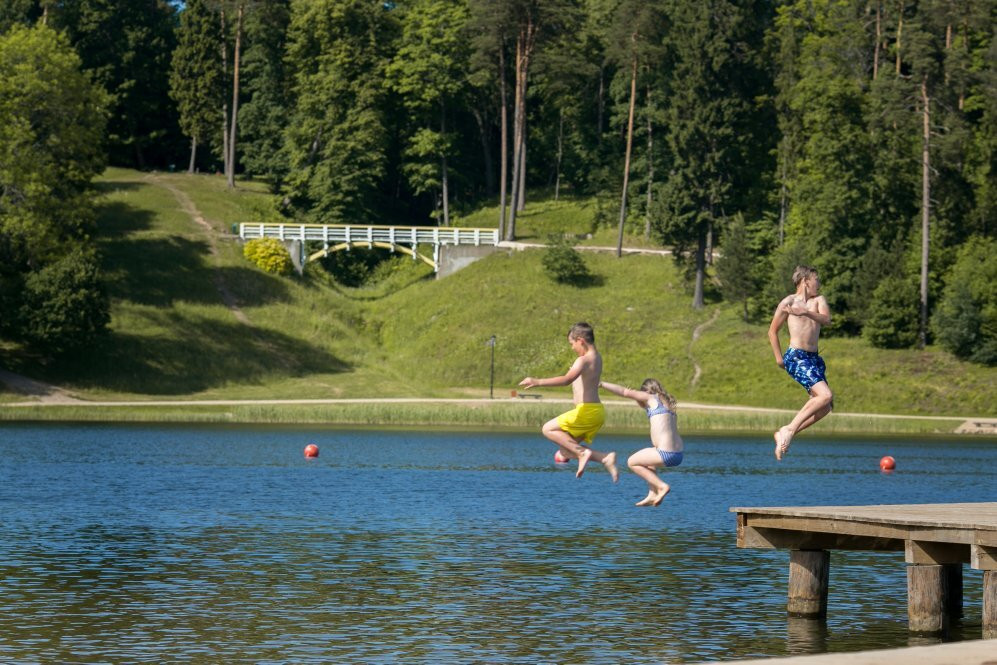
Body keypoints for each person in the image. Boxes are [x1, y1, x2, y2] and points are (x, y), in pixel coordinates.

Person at [519, 322, 619, 482]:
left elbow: (566, 380)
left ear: (580, 340)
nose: (572, 348)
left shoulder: (583, 360)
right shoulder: (597, 358)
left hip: (587, 411)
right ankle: (605, 458)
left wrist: (537, 381)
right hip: (596, 413)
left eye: (572, 343)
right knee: (565, 452)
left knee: (547, 429)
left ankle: (582, 453)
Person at [768, 265, 833, 460]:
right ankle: (788, 430)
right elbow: (772, 331)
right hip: (796, 356)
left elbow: (826, 320)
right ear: (806, 281)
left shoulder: (818, 301)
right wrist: (779, 358)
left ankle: (786, 433)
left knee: (825, 407)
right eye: (816, 280)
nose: (818, 284)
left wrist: (805, 312)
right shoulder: (788, 301)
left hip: (814, 359)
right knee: (826, 395)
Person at [599, 378, 683, 507]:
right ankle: (652, 493)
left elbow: (624, 392)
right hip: (678, 455)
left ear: (646, 391)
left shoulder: (651, 397)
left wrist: (602, 384)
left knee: (631, 462)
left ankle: (661, 486)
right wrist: (637, 398)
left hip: (665, 453)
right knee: (648, 462)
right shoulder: (667, 405)